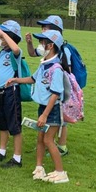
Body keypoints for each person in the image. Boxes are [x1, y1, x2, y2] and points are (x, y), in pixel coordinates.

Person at [8, 30, 70, 183]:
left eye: (42, 42)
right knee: (40, 138)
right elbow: (32, 78)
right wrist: (16, 80)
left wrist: (44, 115)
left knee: (48, 140)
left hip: (52, 110)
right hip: (43, 107)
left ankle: (61, 173)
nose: (40, 45)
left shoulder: (55, 69)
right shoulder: (44, 64)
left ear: (50, 45)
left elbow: (55, 93)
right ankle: (39, 167)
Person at [26, 15, 71, 156]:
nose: (43, 29)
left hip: (59, 90)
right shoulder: (47, 46)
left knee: (61, 119)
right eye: (42, 27)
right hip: (49, 89)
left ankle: (61, 146)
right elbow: (33, 53)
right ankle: (48, 143)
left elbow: (66, 72)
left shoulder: (63, 50)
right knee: (52, 123)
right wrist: (29, 43)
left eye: (46, 27)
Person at [0, 20, 24, 168]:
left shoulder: (15, 53)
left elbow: (16, 49)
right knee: (2, 125)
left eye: (2, 36)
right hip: (0, 93)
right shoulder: (1, 53)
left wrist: (3, 34)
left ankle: (17, 158)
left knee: (14, 126)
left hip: (11, 92)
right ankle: (1, 152)